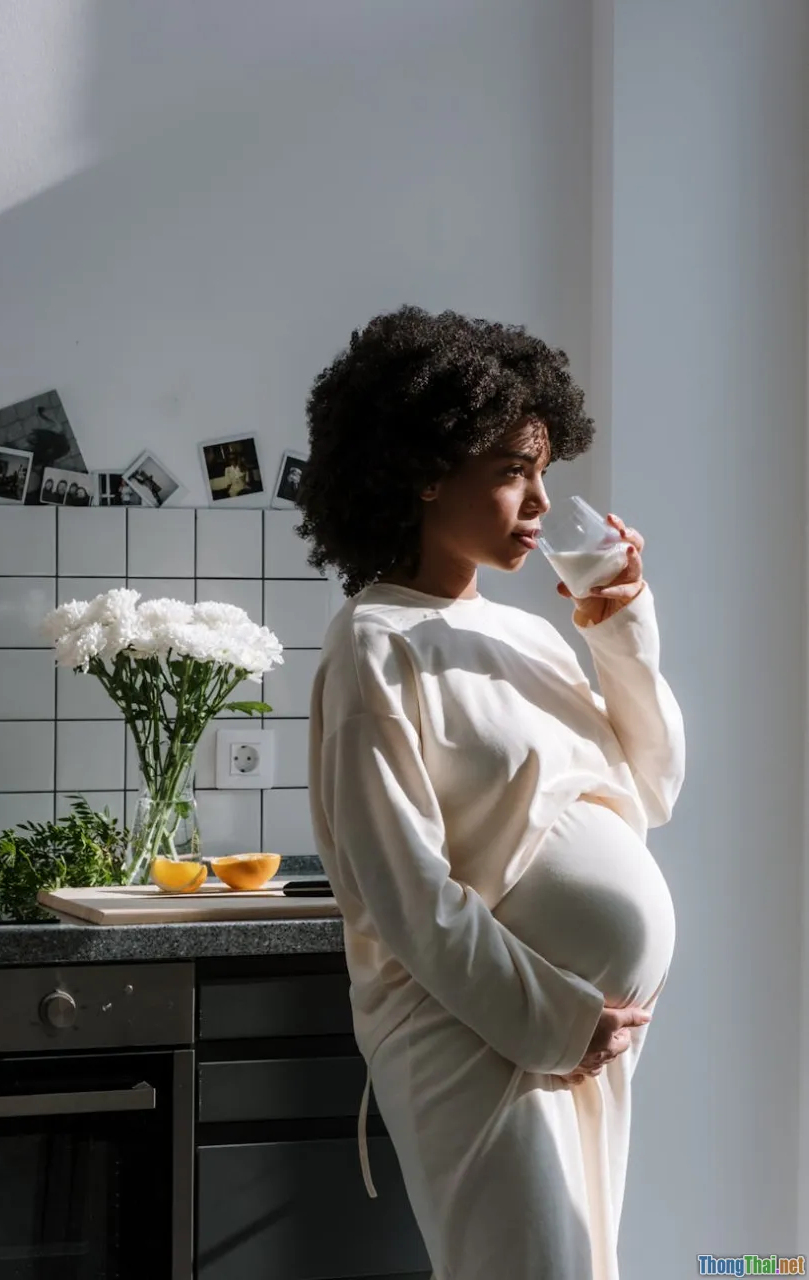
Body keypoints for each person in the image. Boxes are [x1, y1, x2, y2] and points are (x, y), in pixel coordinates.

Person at [296, 305, 685, 1280]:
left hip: (585, 1035)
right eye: (515, 470)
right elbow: (406, 892)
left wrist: (619, 627)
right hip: (480, 1034)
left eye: (543, 471)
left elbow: (651, 788)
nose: (541, 502)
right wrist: (559, 1019)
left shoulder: (531, 634)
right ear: (427, 470)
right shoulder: (372, 645)